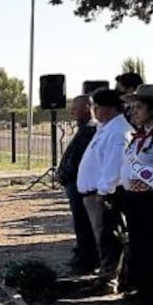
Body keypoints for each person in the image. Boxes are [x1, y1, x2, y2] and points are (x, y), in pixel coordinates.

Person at [76, 89, 133, 295]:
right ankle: (106, 276)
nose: (94, 111)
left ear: (107, 109)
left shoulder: (118, 132)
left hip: (106, 194)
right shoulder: (106, 127)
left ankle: (110, 280)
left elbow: (114, 166)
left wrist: (104, 192)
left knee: (108, 238)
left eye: (96, 107)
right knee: (102, 238)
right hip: (94, 193)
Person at [119, 84, 153, 305]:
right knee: (140, 250)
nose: (133, 111)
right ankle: (145, 296)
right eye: (132, 107)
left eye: (139, 106)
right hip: (135, 200)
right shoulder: (142, 133)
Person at [56, 95, 99, 273]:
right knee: (80, 222)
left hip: (79, 183)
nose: (72, 111)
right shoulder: (84, 129)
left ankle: (86, 259)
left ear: (88, 107)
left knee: (84, 223)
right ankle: (83, 255)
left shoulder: (90, 130)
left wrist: (65, 174)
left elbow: (78, 159)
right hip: (74, 183)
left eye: (76, 108)